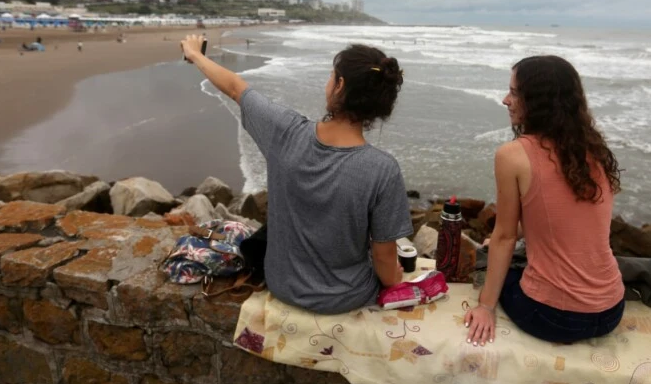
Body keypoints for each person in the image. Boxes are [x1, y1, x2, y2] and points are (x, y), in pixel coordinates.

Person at [181, 35, 412, 314]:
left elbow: (235, 87)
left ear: (340, 85)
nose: (328, 83)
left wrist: (195, 54)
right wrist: (394, 279)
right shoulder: (383, 169)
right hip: (346, 297)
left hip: (283, 286)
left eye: (331, 76)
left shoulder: (286, 132)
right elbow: (384, 256)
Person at [465, 55, 624, 346]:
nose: (505, 100)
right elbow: (563, 217)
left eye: (514, 93)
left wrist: (485, 307)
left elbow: (504, 237)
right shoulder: (592, 150)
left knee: (494, 265)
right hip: (611, 311)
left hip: (553, 317)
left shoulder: (512, 155)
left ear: (538, 101)